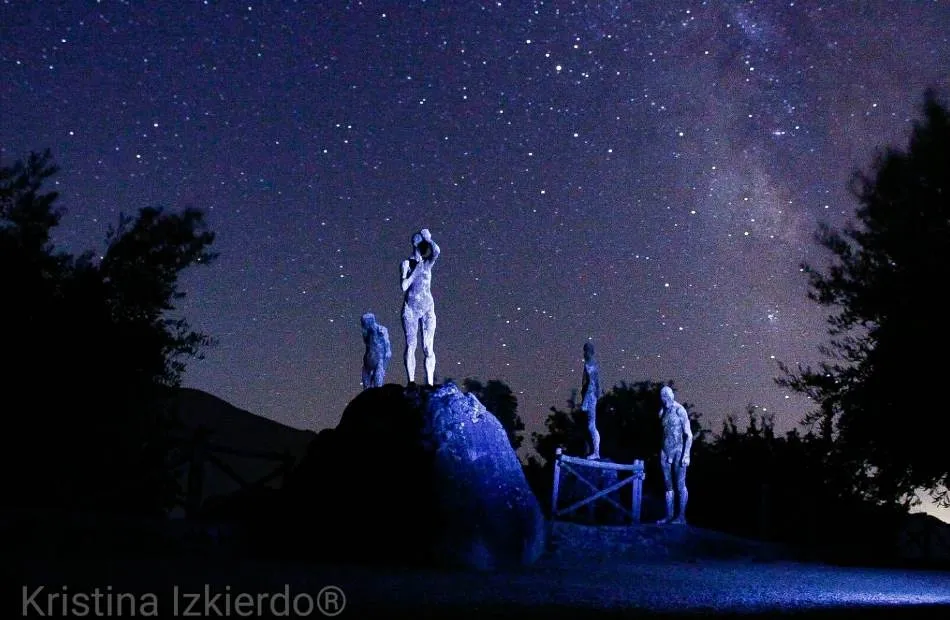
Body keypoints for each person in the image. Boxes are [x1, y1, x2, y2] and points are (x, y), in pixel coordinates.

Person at [401, 228, 440, 385]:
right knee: (411, 345)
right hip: (411, 308)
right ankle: (411, 382)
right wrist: (413, 272)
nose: (425, 245)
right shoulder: (407, 264)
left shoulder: (427, 263)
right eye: (423, 242)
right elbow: (404, 286)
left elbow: (437, 252)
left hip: (427, 307)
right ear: (415, 244)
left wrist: (429, 239)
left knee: (428, 347)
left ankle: (430, 383)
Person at [656, 385, 693, 525]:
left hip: (679, 451)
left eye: (667, 396)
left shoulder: (680, 410)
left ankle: (681, 516)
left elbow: (689, 435)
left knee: (680, 484)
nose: (665, 399)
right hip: (665, 451)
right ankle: (669, 515)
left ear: (671, 396)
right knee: (668, 485)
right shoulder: (662, 412)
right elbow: (664, 433)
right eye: (663, 396)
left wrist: (686, 454)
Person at [580, 341, 601, 460]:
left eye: (586, 351)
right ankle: (589, 450)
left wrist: (586, 401)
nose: (584, 353)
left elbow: (594, 383)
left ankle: (596, 452)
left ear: (590, 352)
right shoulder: (588, 364)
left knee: (591, 425)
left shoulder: (592, 364)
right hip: (588, 396)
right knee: (588, 425)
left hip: (591, 396)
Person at [360, 312, 391, 389]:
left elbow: (388, 350)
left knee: (377, 385)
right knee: (366, 386)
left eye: (364, 323)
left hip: (379, 360)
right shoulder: (367, 333)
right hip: (368, 360)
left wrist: (384, 366)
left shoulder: (381, 330)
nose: (363, 325)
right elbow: (367, 344)